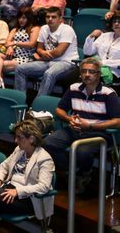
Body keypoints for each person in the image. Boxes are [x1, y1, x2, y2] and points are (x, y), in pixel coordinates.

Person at [43, 58, 120, 194]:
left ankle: (85, 173)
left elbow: (117, 121)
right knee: (48, 143)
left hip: (98, 133)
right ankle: (72, 172)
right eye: (84, 71)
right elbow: (59, 110)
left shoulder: (109, 94)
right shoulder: (73, 88)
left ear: (98, 74)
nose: (87, 74)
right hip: (74, 129)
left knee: (82, 151)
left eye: (91, 72)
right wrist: (68, 118)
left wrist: (89, 126)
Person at [14, 7, 79, 96]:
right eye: (48, 17)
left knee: (49, 73)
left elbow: (59, 52)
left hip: (67, 63)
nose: (50, 19)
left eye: (53, 17)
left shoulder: (67, 29)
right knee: (20, 69)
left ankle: (38, 106)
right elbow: (39, 48)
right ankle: (19, 100)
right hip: (48, 61)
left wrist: (43, 54)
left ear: (60, 19)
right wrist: (42, 53)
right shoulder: (44, 28)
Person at [0, 7, 40, 88]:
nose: (21, 20)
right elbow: (7, 42)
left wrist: (14, 43)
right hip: (14, 57)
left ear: (29, 18)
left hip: (27, 58)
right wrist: (10, 47)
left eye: (24, 18)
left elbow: (31, 44)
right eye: (19, 17)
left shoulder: (35, 29)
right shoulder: (15, 29)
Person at [84, 11, 120, 84]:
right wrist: (91, 36)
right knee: (81, 74)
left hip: (114, 72)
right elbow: (87, 52)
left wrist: (103, 63)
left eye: (119, 22)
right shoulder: (104, 36)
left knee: (91, 78)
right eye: (114, 21)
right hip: (96, 68)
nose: (116, 23)